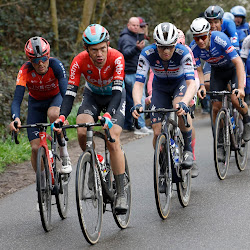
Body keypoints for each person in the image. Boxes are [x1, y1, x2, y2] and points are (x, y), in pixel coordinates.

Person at [54, 24, 128, 214]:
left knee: (112, 138)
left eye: (103, 48)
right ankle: (96, 161)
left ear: (108, 45)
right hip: (92, 96)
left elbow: (118, 92)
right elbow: (70, 93)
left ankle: (121, 192)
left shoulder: (117, 57)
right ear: (87, 49)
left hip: (115, 97)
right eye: (94, 50)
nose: (99, 54)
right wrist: (62, 116)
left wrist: (109, 115)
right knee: (81, 130)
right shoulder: (79, 61)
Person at [132, 22, 203, 171]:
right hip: (160, 87)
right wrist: (138, 103)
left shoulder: (183, 52)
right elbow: (139, 83)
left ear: (175, 44)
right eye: (162, 47)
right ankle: (163, 164)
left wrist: (185, 101)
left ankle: (188, 150)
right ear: (155, 44)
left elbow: (191, 83)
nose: (166, 51)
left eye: (170, 46)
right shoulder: (146, 53)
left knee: (179, 107)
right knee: (157, 132)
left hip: (180, 84)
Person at [9, 36, 72, 176]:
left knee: (53, 114)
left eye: (44, 58)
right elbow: (17, 100)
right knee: (36, 148)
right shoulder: (25, 70)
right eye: (36, 61)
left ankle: (64, 153)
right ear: (30, 60)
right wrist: (16, 118)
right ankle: (42, 181)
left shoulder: (56, 65)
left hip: (55, 99)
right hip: (36, 104)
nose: (41, 63)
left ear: (48, 55)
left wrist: (64, 115)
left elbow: (66, 93)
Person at [190, 18, 250, 145]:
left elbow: (238, 62)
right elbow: (199, 70)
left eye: (203, 37)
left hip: (233, 69)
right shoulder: (194, 47)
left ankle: (246, 119)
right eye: (197, 38)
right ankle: (219, 141)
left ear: (209, 33)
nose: (200, 41)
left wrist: (241, 88)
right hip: (218, 72)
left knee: (235, 100)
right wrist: (201, 85)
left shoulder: (220, 39)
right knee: (215, 107)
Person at [201, 5, 240, 114]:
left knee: (235, 96)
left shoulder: (229, 24)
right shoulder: (205, 30)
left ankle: (236, 108)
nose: (212, 26)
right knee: (207, 83)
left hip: (229, 58)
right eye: (210, 22)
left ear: (221, 21)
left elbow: (235, 45)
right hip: (214, 60)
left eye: (216, 22)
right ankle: (218, 103)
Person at [118, 17, 152, 135]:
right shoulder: (126, 38)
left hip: (131, 72)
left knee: (130, 100)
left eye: (138, 25)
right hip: (131, 72)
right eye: (133, 25)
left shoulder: (133, 36)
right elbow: (124, 54)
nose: (136, 27)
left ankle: (130, 125)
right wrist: (137, 48)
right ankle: (140, 126)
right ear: (128, 25)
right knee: (140, 99)